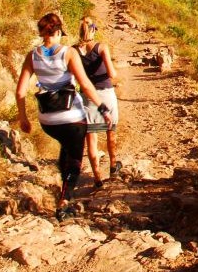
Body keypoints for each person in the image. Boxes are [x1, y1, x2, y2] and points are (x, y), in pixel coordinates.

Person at [15, 12, 111, 220]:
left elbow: (21, 91)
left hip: (47, 120)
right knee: (75, 161)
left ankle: (63, 185)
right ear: (58, 32)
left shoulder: (32, 56)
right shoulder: (68, 53)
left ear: (41, 33)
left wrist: (23, 118)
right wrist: (102, 107)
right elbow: (85, 84)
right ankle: (64, 202)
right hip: (72, 117)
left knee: (65, 148)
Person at [75, 15, 121, 187]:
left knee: (91, 138)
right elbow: (112, 73)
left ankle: (97, 177)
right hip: (106, 93)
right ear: (93, 29)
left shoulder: (73, 50)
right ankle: (113, 167)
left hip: (87, 96)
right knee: (111, 131)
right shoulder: (101, 47)